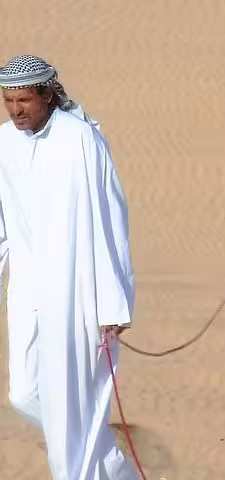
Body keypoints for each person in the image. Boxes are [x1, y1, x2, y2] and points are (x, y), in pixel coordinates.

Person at [0, 55, 139, 480]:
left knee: (68, 406)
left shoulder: (81, 138)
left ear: (47, 95)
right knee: (24, 393)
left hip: (78, 291)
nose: (15, 109)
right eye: (8, 100)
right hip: (26, 288)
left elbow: (111, 217)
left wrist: (113, 304)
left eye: (24, 99)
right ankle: (114, 470)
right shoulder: (4, 142)